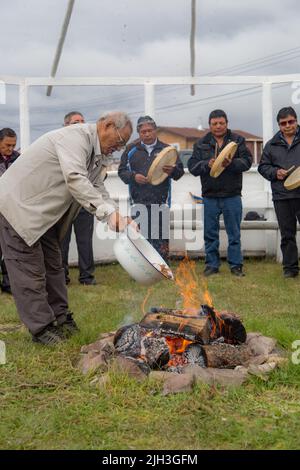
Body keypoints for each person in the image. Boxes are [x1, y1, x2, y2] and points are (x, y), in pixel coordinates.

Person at [0, 111, 133, 345]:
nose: (119, 148)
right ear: (107, 125)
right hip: (19, 208)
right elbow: (75, 179)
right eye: (120, 141)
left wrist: (117, 214)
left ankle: (60, 318)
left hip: (44, 216)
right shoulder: (75, 139)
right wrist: (108, 213)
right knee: (29, 270)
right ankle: (41, 329)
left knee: (54, 266)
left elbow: (97, 187)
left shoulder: (96, 153)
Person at [188, 109, 253, 277]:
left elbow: (247, 162)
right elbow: (192, 166)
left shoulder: (238, 140)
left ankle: (236, 266)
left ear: (227, 123)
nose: (218, 126)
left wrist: (230, 163)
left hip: (232, 195)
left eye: (221, 123)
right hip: (209, 196)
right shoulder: (200, 143)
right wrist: (206, 164)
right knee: (210, 233)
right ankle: (211, 265)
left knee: (234, 233)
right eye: (214, 123)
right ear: (209, 125)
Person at [118, 115, 184, 260]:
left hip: (161, 202)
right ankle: (143, 270)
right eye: (143, 132)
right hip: (138, 202)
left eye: (149, 130)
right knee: (140, 239)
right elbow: (121, 172)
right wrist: (133, 177)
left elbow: (179, 173)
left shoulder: (167, 150)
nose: (147, 134)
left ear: (155, 130)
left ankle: (162, 269)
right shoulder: (131, 150)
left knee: (160, 239)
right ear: (139, 133)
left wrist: (172, 171)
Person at [258, 106, 300, 278]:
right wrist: (275, 173)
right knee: (287, 234)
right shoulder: (271, 145)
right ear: (279, 125)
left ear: (296, 121)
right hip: (282, 196)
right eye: (283, 123)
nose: (288, 125)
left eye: (291, 121)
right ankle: (290, 269)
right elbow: (263, 167)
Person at [61, 111, 96, 285]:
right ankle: (61, 277)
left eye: (83, 121)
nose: (81, 124)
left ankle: (87, 277)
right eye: (76, 121)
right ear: (66, 125)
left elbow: (97, 172)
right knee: (61, 242)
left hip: (84, 203)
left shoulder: (91, 147)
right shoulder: (59, 145)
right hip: (64, 203)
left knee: (85, 242)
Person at [0, 128, 20, 294]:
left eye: (13, 145)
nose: (10, 149)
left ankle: (8, 283)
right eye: (7, 145)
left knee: (10, 248)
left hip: (11, 210)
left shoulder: (18, 159)